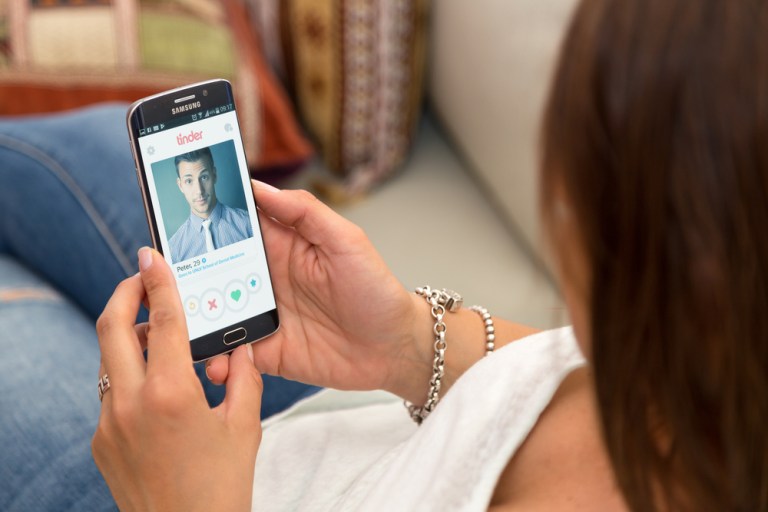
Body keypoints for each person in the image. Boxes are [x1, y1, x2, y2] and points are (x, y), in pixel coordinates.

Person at [6, 0, 768, 510]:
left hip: (158, 492)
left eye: (576, 185)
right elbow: (563, 372)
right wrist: (406, 342)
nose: (558, 210)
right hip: (320, 420)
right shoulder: (706, 380)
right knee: (95, 141)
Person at [168, 147, 252, 262]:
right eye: (189, 181)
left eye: (204, 177)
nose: (199, 191)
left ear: (214, 175)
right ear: (180, 185)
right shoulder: (173, 250)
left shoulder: (248, 224)